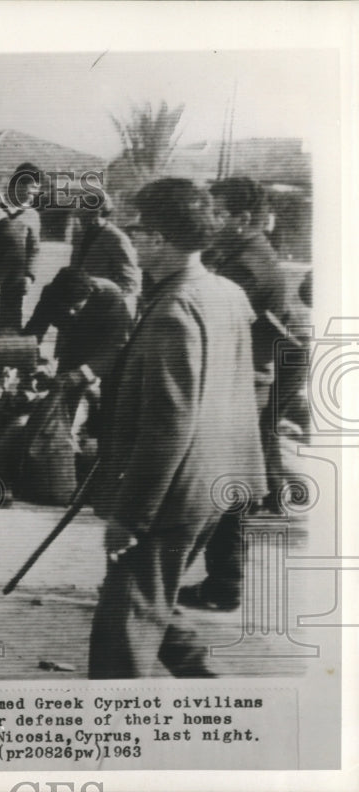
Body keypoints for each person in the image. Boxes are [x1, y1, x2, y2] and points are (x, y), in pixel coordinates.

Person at [88, 178, 265, 678]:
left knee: (121, 630)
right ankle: (202, 677)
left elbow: (169, 423)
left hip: (172, 493)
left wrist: (132, 516)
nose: (130, 237)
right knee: (143, 596)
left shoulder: (173, 309)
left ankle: (111, 740)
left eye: (136, 228)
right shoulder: (225, 292)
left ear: (159, 239)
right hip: (216, 482)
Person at [180, 177, 296, 611]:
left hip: (240, 384)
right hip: (243, 381)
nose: (209, 218)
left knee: (215, 487)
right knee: (226, 491)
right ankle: (220, 582)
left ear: (243, 220)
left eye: (218, 211)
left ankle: (204, 582)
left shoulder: (247, 266)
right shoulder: (241, 255)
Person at [0, 162, 42, 334]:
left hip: (14, 282)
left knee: (9, 324)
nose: (33, 197)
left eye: (36, 192)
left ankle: (5, 357)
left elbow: (34, 249)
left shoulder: (32, 216)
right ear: (17, 184)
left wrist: (29, 276)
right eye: (31, 191)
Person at [69, 196, 141, 315]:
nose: (80, 220)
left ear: (98, 213)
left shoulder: (115, 238)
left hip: (103, 311)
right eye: (79, 215)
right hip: (78, 307)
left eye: (85, 214)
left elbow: (130, 282)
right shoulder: (80, 234)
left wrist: (102, 299)